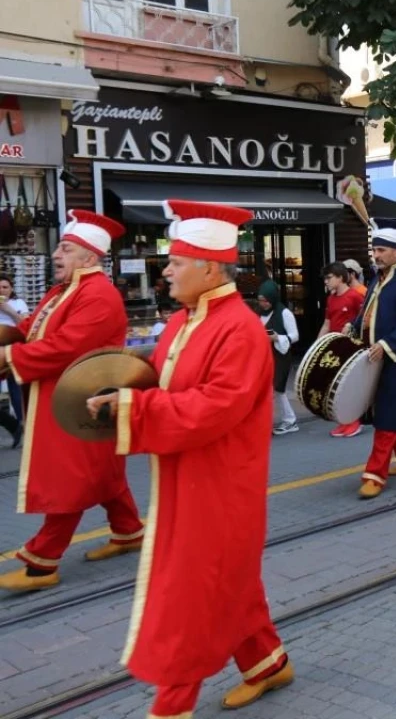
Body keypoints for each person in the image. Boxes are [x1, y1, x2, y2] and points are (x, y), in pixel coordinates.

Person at [85, 199, 293, 718]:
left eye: (177, 261)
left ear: (209, 266)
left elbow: (213, 408)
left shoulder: (240, 329)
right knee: (229, 581)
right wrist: (118, 388)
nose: (168, 270)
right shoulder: (182, 322)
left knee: (193, 594)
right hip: (188, 476)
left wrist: (136, 407)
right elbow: (165, 381)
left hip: (221, 486)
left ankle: (171, 704)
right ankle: (266, 662)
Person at [0, 211, 145, 592]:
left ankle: (41, 562)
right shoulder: (63, 290)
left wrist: (8, 359)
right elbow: (31, 332)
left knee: (73, 479)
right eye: (59, 247)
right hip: (68, 399)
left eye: (66, 248)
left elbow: (65, 347)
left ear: (90, 257)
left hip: (81, 402)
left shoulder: (98, 294)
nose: (56, 255)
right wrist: (7, 339)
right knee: (103, 473)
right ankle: (129, 531)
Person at [350, 219, 396, 498]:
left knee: (387, 415)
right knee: (393, 410)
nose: (376, 255)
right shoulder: (376, 279)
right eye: (375, 250)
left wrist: (387, 343)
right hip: (374, 358)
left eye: (381, 250)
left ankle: (375, 474)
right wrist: (354, 325)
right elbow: (367, 311)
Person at [321, 262, 368, 437]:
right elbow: (327, 323)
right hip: (334, 349)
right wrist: (317, 346)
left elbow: (365, 317)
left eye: (329, 277)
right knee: (335, 388)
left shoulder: (355, 296)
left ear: (340, 278)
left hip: (350, 350)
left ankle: (354, 422)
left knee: (347, 387)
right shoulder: (330, 299)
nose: (326, 281)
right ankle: (343, 421)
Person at [257, 280, 299, 436]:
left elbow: (295, 336)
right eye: (260, 300)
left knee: (276, 388)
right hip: (263, 356)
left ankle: (288, 420)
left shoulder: (284, 313)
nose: (263, 304)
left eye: (266, 301)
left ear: (273, 298)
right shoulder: (259, 313)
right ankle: (287, 419)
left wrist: (276, 338)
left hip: (280, 356)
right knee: (272, 390)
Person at [0, 274, 28, 447]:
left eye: (5, 287)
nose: (2, 290)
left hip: (14, 348)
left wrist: (8, 310)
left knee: (15, 390)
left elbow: (26, 324)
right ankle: (15, 426)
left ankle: (22, 425)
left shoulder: (19, 304)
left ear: (11, 289)